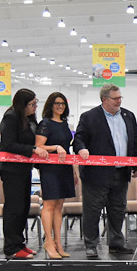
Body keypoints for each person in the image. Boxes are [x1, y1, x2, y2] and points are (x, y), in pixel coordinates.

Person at [73, 83, 137, 259]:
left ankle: (116, 244)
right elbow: (79, 138)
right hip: (96, 175)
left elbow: (134, 141)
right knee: (93, 210)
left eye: (120, 97)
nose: (119, 101)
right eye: (115, 98)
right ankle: (91, 245)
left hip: (121, 172)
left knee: (118, 209)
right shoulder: (89, 117)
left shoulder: (128, 115)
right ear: (104, 99)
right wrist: (81, 149)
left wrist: (136, 165)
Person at [0, 88, 47, 260]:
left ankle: (20, 243)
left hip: (25, 168)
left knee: (24, 207)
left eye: (36, 103)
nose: (35, 107)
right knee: (14, 208)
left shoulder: (29, 118)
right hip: (12, 170)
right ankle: (11, 246)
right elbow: (9, 144)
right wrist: (32, 149)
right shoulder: (11, 117)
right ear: (22, 105)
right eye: (32, 104)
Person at [35, 92, 79, 259]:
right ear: (50, 105)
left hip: (65, 167)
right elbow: (38, 146)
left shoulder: (64, 123)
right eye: (57, 103)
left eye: (63, 103)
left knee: (59, 206)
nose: (60, 106)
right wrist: (55, 147)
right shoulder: (45, 123)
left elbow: (67, 148)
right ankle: (48, 242)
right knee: (49, 205)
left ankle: (58, 243)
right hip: (50, 168)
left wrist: (74, 170)